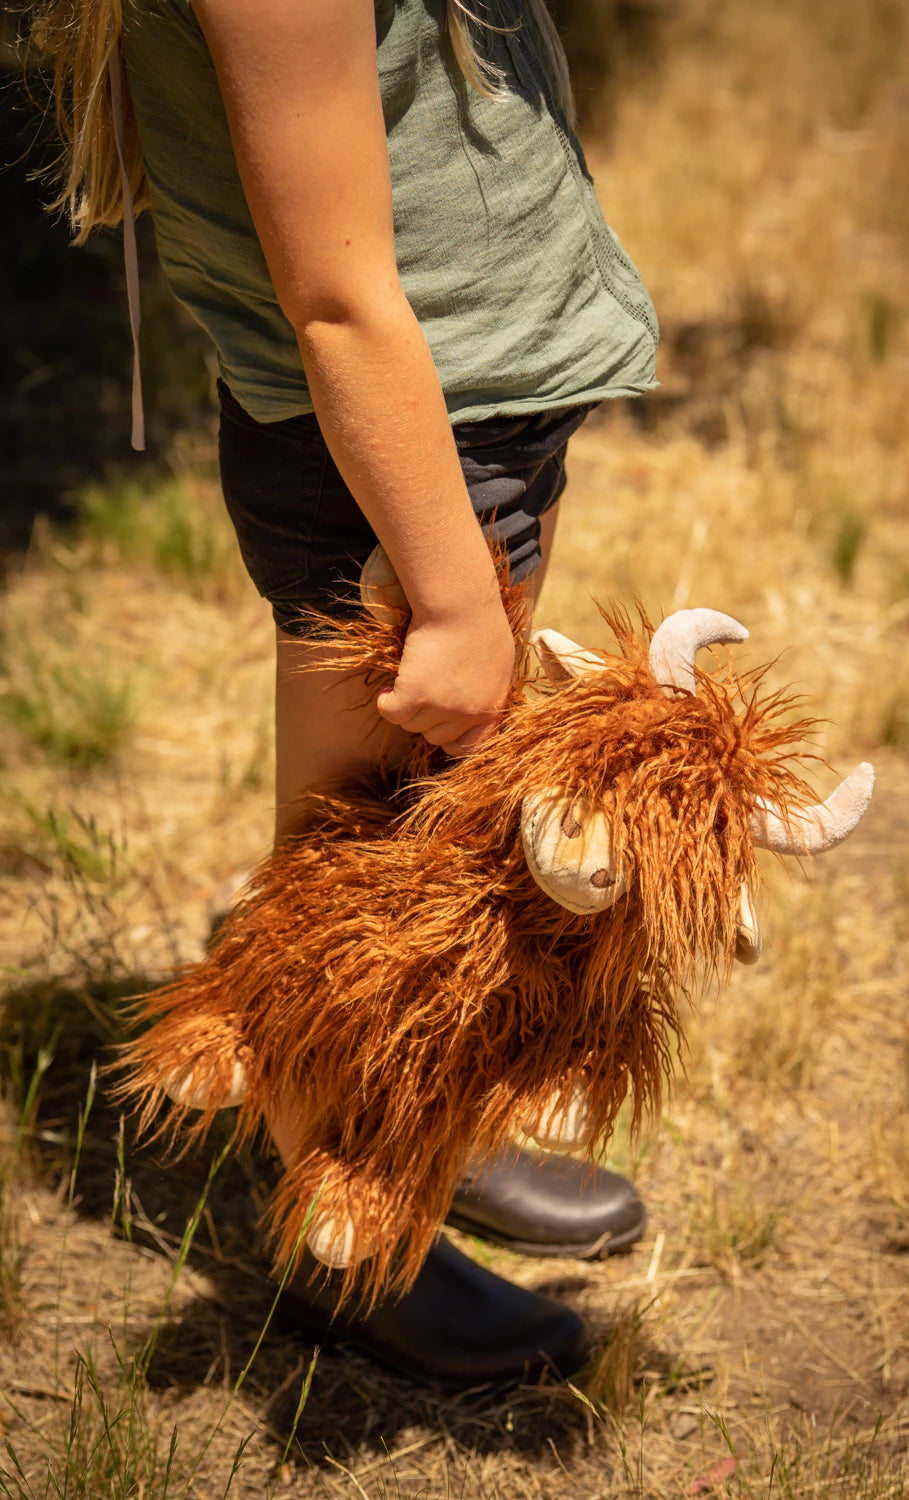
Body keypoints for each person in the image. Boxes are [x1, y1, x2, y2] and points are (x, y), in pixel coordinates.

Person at [34, 0, 658, 1385]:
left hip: (452, 423)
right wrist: (446, 592)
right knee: (344, 886)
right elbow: (335, 295)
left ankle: (431, 1121)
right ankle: (356, 1241)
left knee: (429, 850)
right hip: (394, 455)